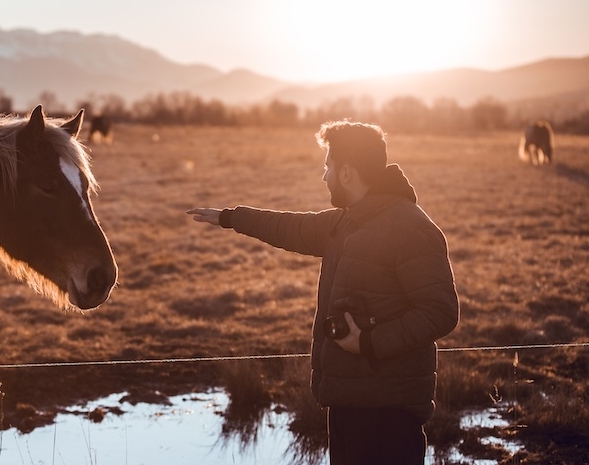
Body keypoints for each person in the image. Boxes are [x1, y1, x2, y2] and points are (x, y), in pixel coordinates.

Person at [187, 120, 458, 464]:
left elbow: (441, 311)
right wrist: (229, 218)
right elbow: (288, 227)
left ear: (346, 172)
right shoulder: (345, 222)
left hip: (389, 414)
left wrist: (369, 342)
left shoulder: (411, 228)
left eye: (327, 166)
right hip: (347, 402)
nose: (324, 175)